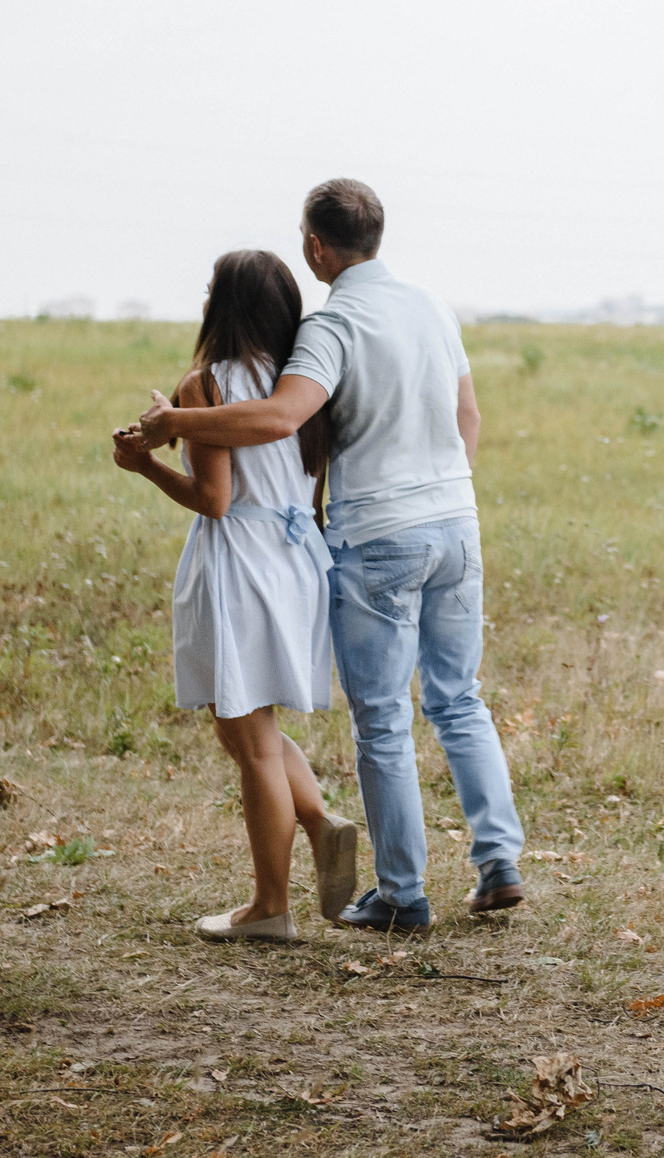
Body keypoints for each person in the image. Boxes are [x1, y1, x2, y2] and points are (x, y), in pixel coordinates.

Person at [125, 178, 526, 933]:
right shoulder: (433, 306)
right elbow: (468, 415)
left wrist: (173, 420)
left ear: (316, 245)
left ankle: (404, 895)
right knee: (458, 696)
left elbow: (282, 415)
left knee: (382, 720)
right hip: (456, 523)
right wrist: (445, 492)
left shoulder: (332, 325)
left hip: (381, 536)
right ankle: (498, 860)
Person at [110, 249, 359, 942]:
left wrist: (146, 465)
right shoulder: (304, 385)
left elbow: (215, 501)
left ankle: (270, 907)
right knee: (245, 723)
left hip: (241, 557)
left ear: (220, 305)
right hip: (297, 555)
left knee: (249, 739)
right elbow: (309, 491)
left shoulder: (207, 382)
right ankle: (317, 817)